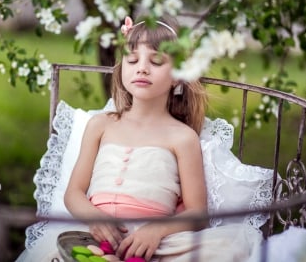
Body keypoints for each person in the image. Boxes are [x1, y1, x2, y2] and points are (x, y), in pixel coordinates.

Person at [63, 15, 262, 261]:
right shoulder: (100, 125)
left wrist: (156, 230)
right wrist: (95, 218)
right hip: (93, 238)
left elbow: (197, 212)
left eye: (156, 61)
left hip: (154, 244)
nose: (142, 67)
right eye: (132, 59)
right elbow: (74, 192)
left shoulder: (182, 138)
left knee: (230, 249)